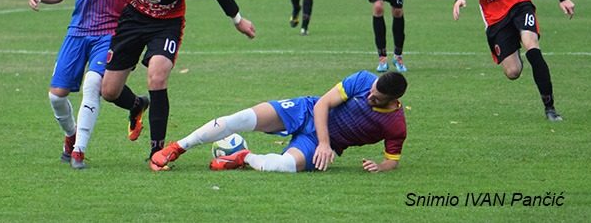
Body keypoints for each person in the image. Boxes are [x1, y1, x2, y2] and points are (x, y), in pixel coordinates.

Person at [44, 0, 256, 171]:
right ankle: (137, 104)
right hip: (132, 21)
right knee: (109, 91)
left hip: (166, 25)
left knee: (157, 75)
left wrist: (238, 20)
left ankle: (158, 152)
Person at [28, 0, 133, 169]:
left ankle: (79, 152)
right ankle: (70, 135)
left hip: (110, 33)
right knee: (56, 95)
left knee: (92, 85)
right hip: (78, 31)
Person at [151, 70, 407, 173]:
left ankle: (243, 156)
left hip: (314, 141)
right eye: (371, 90)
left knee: (282, 166)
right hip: (306, 111)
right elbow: (322, 104)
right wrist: (326, 144)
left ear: (393, 99)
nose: (369, 96)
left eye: (376, 98)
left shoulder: (395, 125)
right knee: (240, 118)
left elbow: (391, 161)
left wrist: (379, 167)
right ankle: (176, 148)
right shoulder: (363, 80)